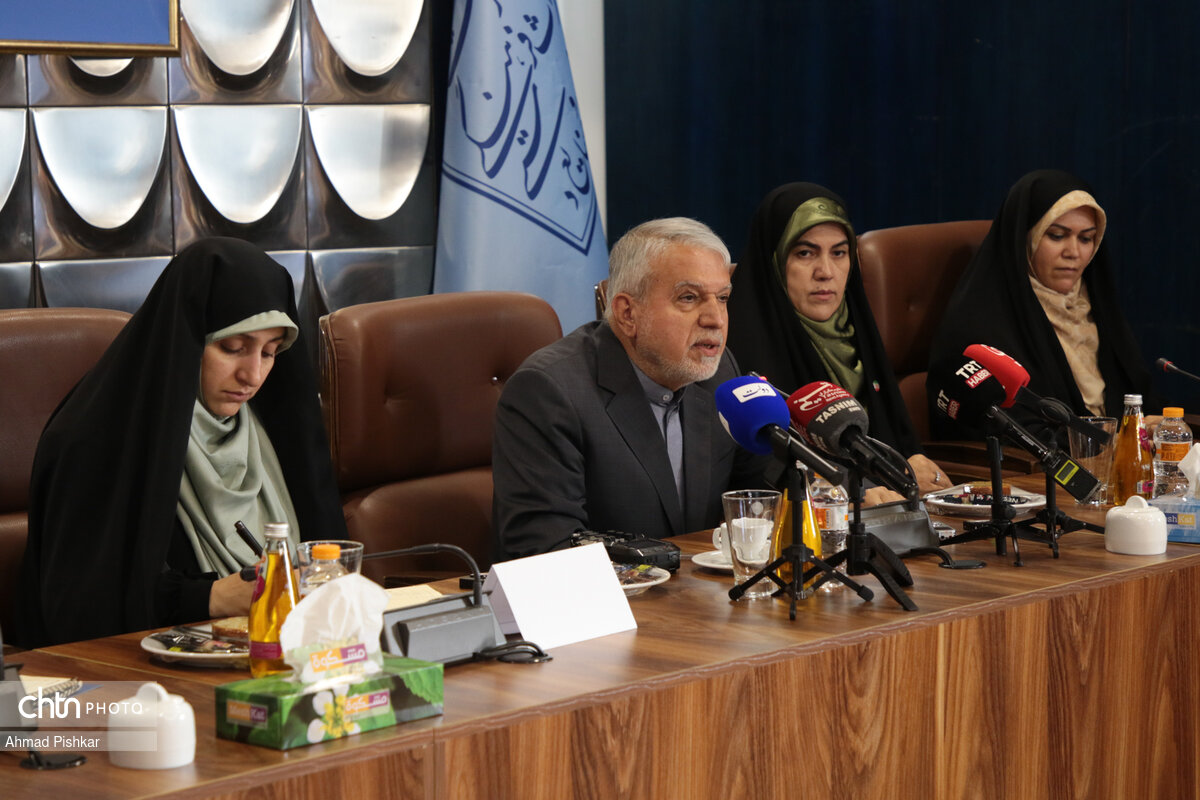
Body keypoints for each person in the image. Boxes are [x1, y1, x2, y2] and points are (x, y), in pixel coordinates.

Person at [16, 237, 346, 646]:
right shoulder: (96, 441)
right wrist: (210, 597)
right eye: (232, 347)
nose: (253, 376)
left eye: (270, 352)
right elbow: (82, 606)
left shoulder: (270, 434)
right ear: (186, 338)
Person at [492, 217, 768, 561]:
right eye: (688, 298)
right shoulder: (549, 392)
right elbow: (547, 550)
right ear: (627, 313)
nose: (716, 319)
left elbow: (756, 502)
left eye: (723, 298)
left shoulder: (719, 373)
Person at [726, 182, 951, 500]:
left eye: (839, 253)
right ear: (774, 261)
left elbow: (897, 444)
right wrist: (849, 495)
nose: (826, 272)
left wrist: (911, 463)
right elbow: (762, 472)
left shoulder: (857, 332)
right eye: (805, 253)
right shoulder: (738, 350)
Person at [928, 169, 1160, 445]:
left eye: (1086, 238)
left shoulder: (1094, 307)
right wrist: (1112, 441)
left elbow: (1141, 400)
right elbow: (1007, 433)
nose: (1073, 252)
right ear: (1025, 237)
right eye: (1057, 235)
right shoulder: (979, 322)